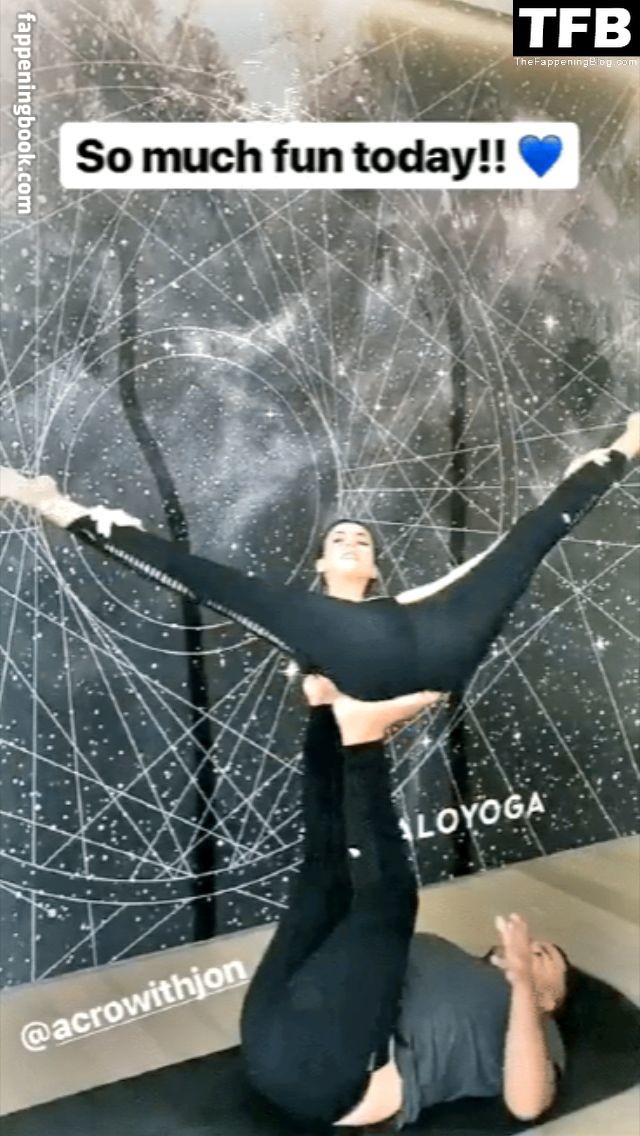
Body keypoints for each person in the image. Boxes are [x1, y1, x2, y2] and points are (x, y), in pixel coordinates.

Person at [1, 412, 637, 701]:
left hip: (442, 640)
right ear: (321, 567)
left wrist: (535, 521)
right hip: (351, 653)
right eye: (340, 541)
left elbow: (473, 572)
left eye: (362, 541)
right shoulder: (303, 614)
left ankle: (628, 444)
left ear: (375, 567)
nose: (352, 542)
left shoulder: (400, 605)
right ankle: (53, 505)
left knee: (530, 537)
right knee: (205, 578)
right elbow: (192, 576)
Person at [240, 675, 570, 1129]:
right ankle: (324, 713)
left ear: (555, 998)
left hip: (330, 1078)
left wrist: (524, 987)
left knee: (389, 900)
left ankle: (363, 737)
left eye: (544, 956)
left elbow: (527, 1105)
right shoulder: (452, 959)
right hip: (269, 1032)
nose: (530, 949)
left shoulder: (537, 1026)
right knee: (325, 872)